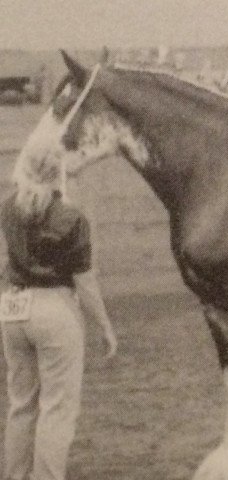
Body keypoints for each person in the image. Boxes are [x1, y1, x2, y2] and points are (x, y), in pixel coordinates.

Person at [0, 155, 117, 480]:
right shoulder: (72, 218)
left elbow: (6, 261)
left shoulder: (8, 209)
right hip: (55, 309)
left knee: (21, 404)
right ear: (57, 179)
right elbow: (85, 281)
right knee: (57, 409)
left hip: (13, 308)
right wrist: (104, 326)